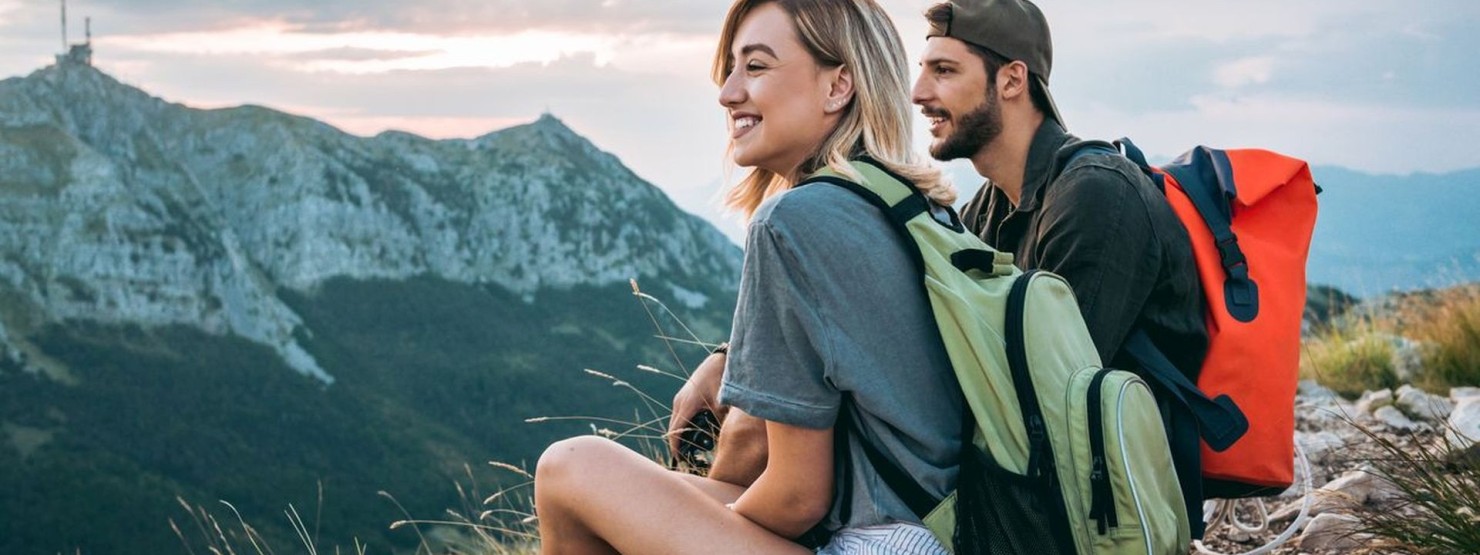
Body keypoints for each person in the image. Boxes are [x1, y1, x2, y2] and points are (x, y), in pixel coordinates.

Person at [535, 0, 961, 553]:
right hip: (945, 529)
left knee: (571, 467)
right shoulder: (916, 208)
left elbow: (798, 498)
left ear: (838, 86)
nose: (728, 92)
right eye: (730, 69)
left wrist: (685, 525)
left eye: (755, 67)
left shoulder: (793, 221)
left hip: (878, 541)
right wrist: (729, 359)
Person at [911, 0, 1208, 381]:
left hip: (1130, 439)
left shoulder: (1096, 194)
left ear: (1012, 80)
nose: (918, 93)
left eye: (944, 71)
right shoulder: (988, 210)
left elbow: (1056, 385)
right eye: (923, 70)